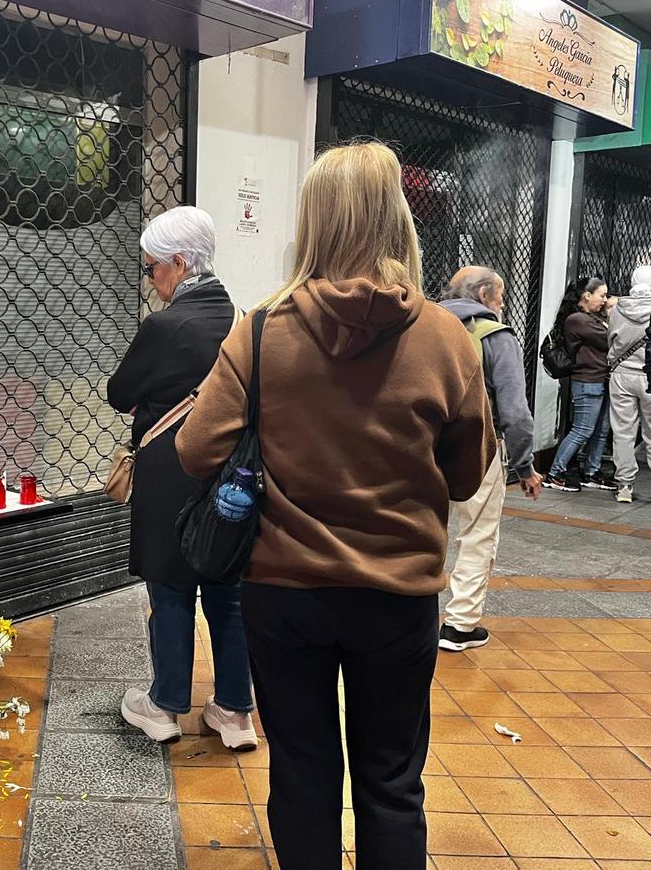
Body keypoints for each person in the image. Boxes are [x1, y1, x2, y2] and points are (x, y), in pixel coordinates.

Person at [177, 142, 495, 869]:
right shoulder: (448, 340)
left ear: (313, 222)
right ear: (397, 221)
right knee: (391, 782)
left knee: (303, 774)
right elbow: (468, 474)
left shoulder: (260, 331)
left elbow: (195, 453)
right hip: (398, 597)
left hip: (284, 595)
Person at [106, 205, 257, 751]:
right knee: (228, 593)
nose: (151, 282)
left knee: (170, 590)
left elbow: (120, 393)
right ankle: (236, 712)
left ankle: (165, 705)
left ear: (177, 263)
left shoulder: (166, 326)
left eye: (152, 270)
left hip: (170, 474)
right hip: (231, 485)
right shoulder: (245, 321)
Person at [436, 266, 541, 651]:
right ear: (483, 294)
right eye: (500, 295)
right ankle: (460, 625)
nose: (502, 302)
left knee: (426, 527)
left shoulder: (423, 326)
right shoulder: (495, 336)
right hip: (477, 446)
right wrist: (525, 467)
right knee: (477, 532)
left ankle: (414, 609)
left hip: (422, 446)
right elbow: (515, 413)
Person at [545, 277, 618, 492]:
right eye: (602, 295)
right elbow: (611, 340)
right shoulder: (578, 319)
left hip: (600, 380)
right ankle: (555, 473)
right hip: (587, 381)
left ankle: (591, 472)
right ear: (587, 295)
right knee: (583, 430)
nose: (604, 301)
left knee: (601, 431)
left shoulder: (591, 317)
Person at [609, 266, 651, 504]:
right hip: (649, 375)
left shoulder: (618, 308)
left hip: (621, 374)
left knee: (623, 431)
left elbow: (611, 340)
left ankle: (624, 485)